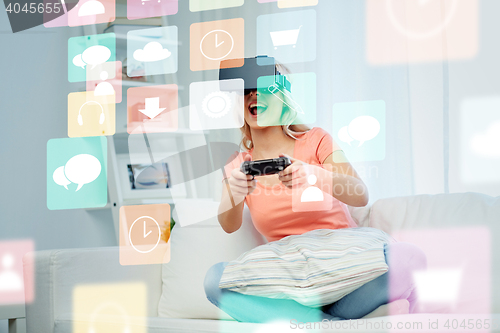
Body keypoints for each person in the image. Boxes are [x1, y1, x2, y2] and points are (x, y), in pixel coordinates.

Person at [204, 64, 427, 323]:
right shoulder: (237, 163)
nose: (254, 96)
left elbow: (360, 194)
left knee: (410, 259)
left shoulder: (316, 140)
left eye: (265, 89)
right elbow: (228, 225)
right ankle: (334, 322)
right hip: (288, 273)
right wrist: (234, 191)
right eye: (246, 91)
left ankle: (314, 322)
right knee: (214, 280)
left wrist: (312, 175)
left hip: (343, 263)